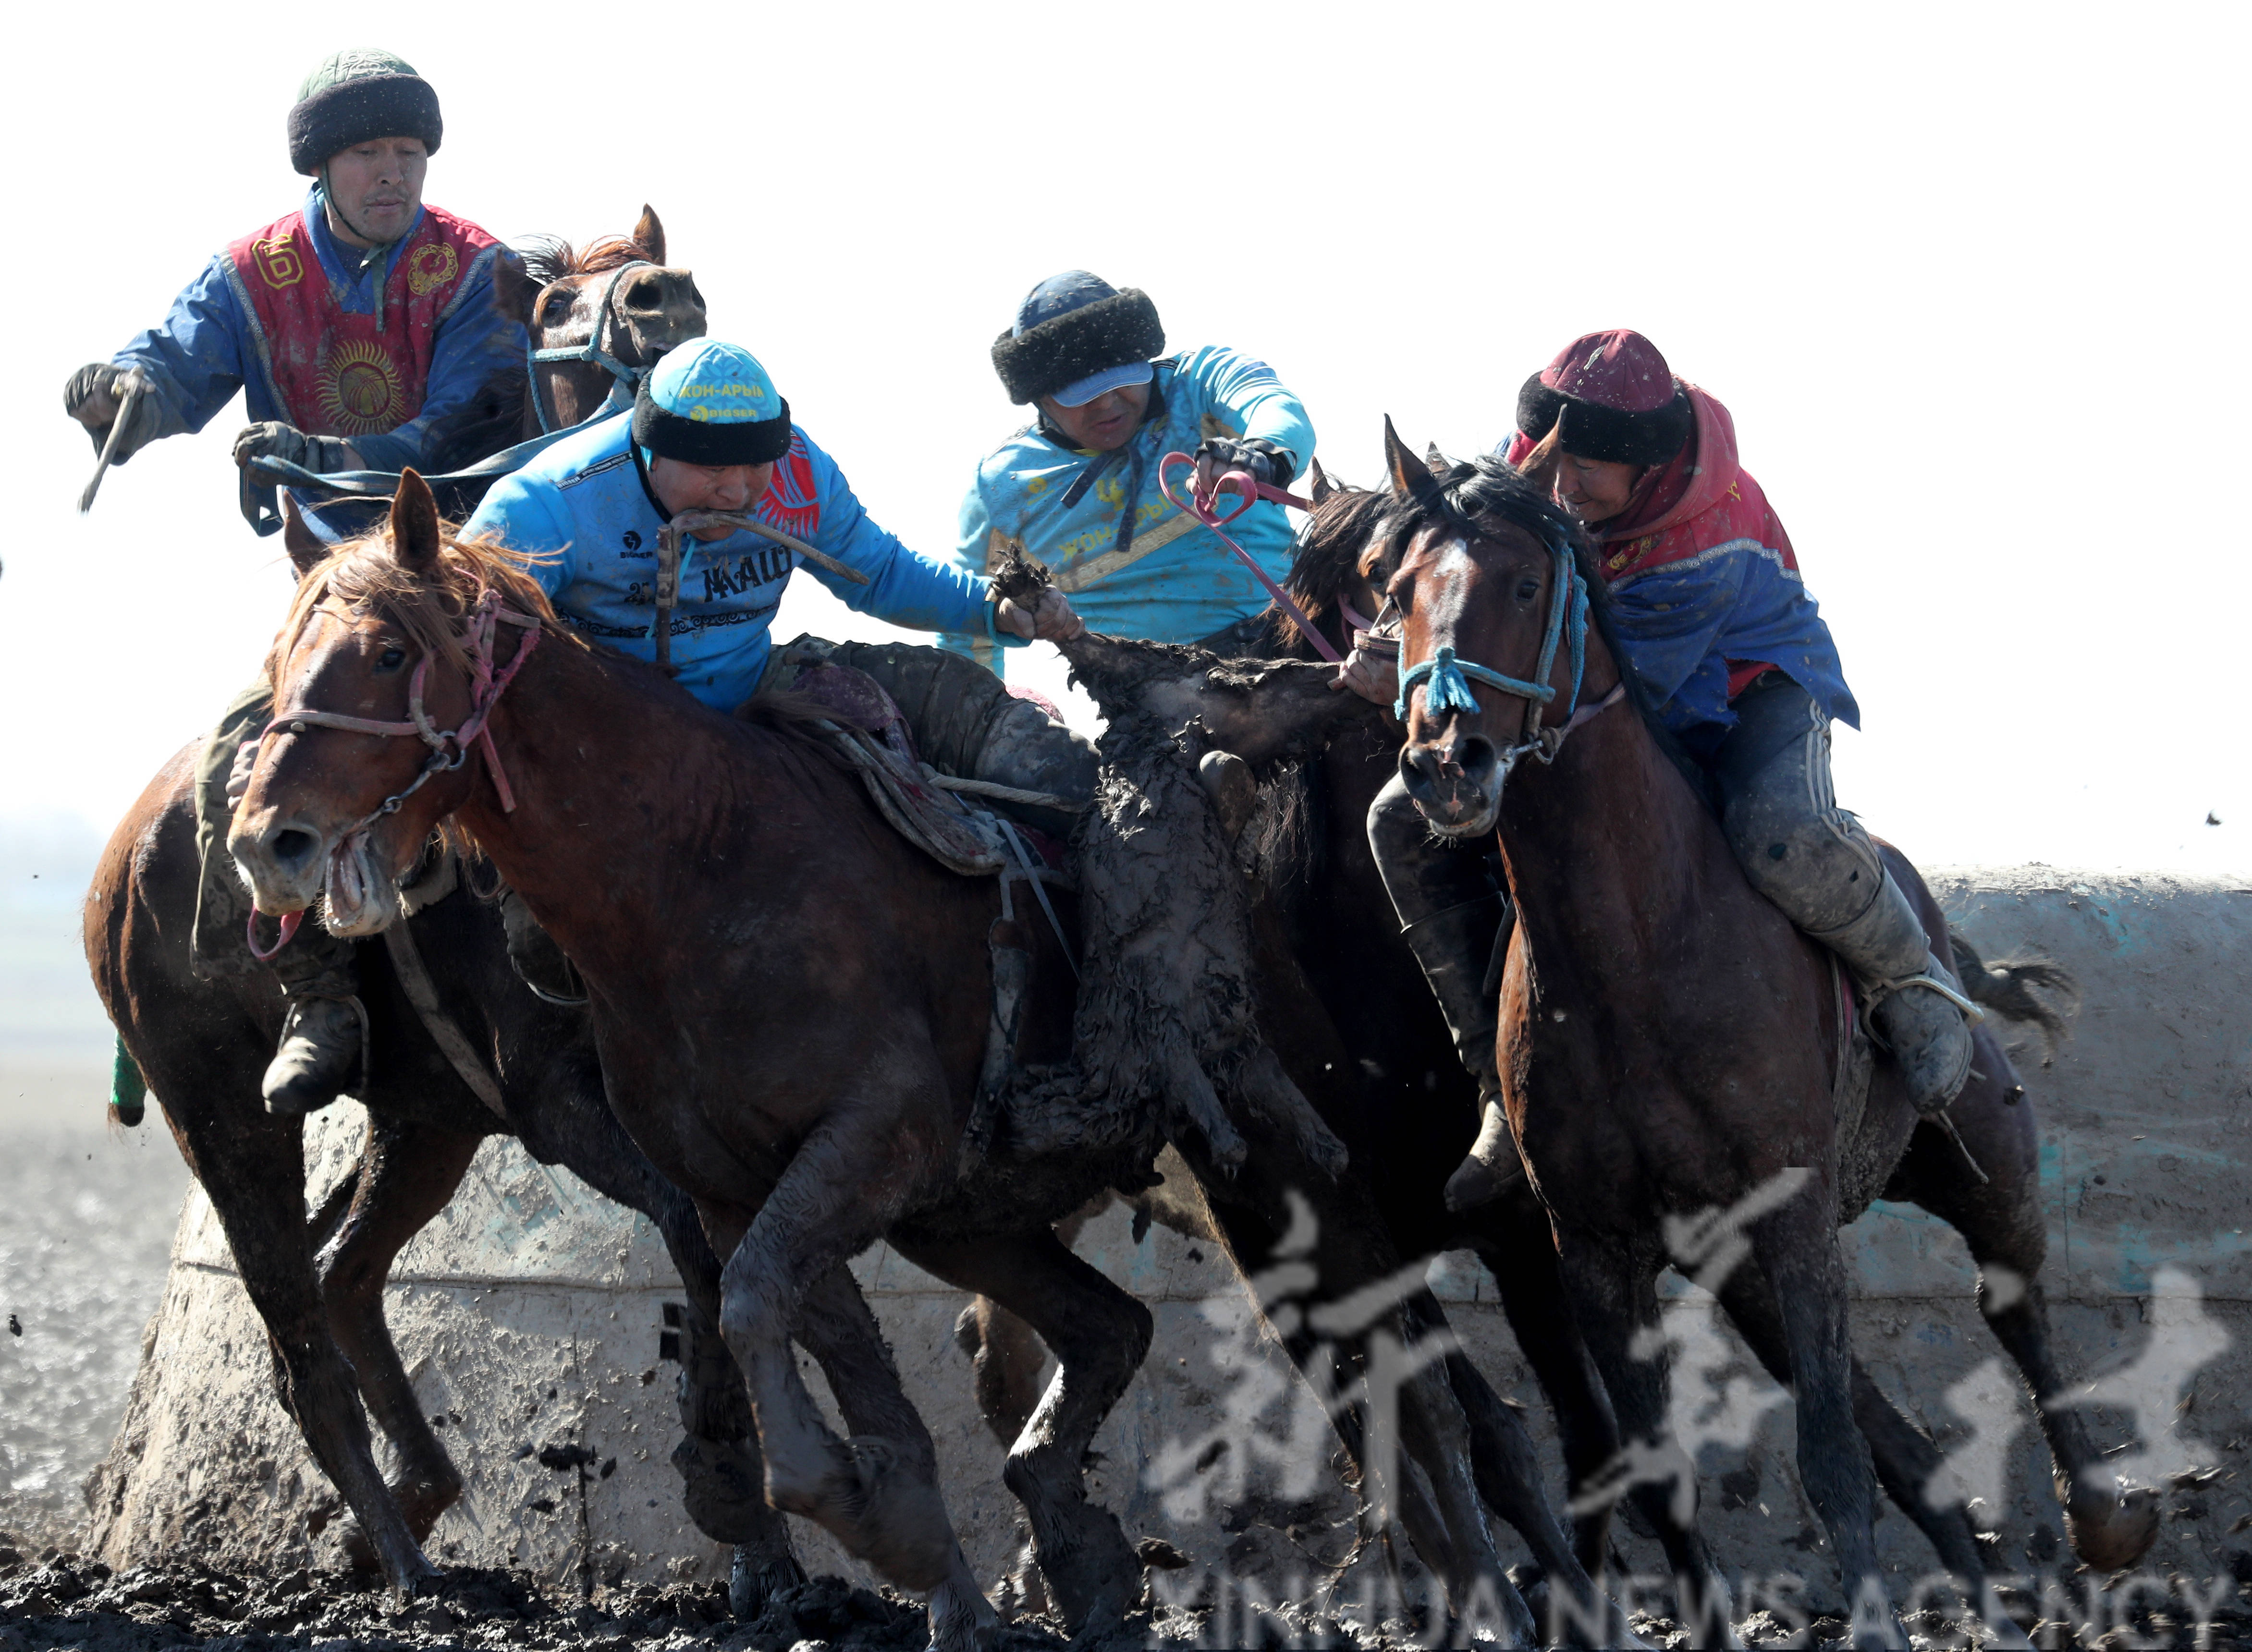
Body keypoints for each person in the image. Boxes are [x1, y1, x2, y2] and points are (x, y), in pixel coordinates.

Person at [1359, 328, 1974, 1210]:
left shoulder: (1707, 537)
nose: (1560, 494)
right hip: (1586, 681)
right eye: (1549, 467)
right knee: (1397, 823)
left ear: (1642, 475)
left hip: (1739, 684)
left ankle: (1914, 983)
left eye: (1585, 481)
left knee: (1777, 837)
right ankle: (1495, 1086)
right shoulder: (1532, 471)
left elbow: (1633, 695)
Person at [466, 334, 1092, 821]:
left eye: (754, 467)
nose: (739, 491)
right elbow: (463, 653)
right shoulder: (543, 508)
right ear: (651, 449)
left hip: (756, 684)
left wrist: (993, 611)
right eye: (713, 470)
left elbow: (877, 572)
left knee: (956, 699)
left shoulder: (798, 472)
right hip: (605, 727)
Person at [62, 49, 522, 484]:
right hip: (323, 546)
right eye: (366, 153)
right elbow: (177, 363)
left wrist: (329, 458)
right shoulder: (249, 276)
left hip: (467, 534)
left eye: (409, 152)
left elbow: (467, 429)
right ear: (316, 165)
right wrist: (118, 393)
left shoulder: (482, 272)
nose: (393, 174)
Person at [948, 271, 1315, 666]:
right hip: (1150, 693)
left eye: (1121, 382)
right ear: (1040, 399)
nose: (1107, 405)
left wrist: (1261, 454)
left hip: (1300, 638)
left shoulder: (1201, 382)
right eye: (1081, 397)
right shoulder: (1001, 489)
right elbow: (967, 632)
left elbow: (1275, 408)